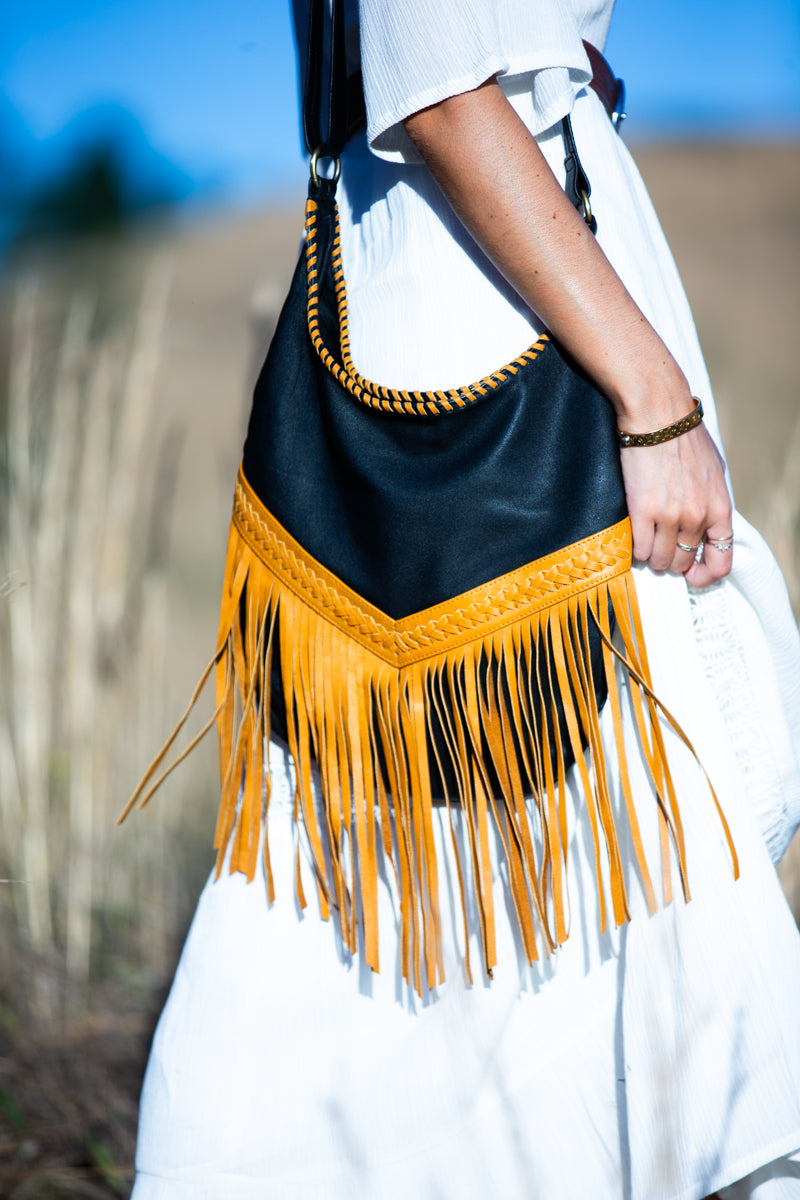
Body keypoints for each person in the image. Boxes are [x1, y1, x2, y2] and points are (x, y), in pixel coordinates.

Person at [130, 2, 800, 1196]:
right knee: (583, 868)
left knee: (418, 902)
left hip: (457, 260)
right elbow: (435, 87)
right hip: (504, 310)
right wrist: (651, 396)